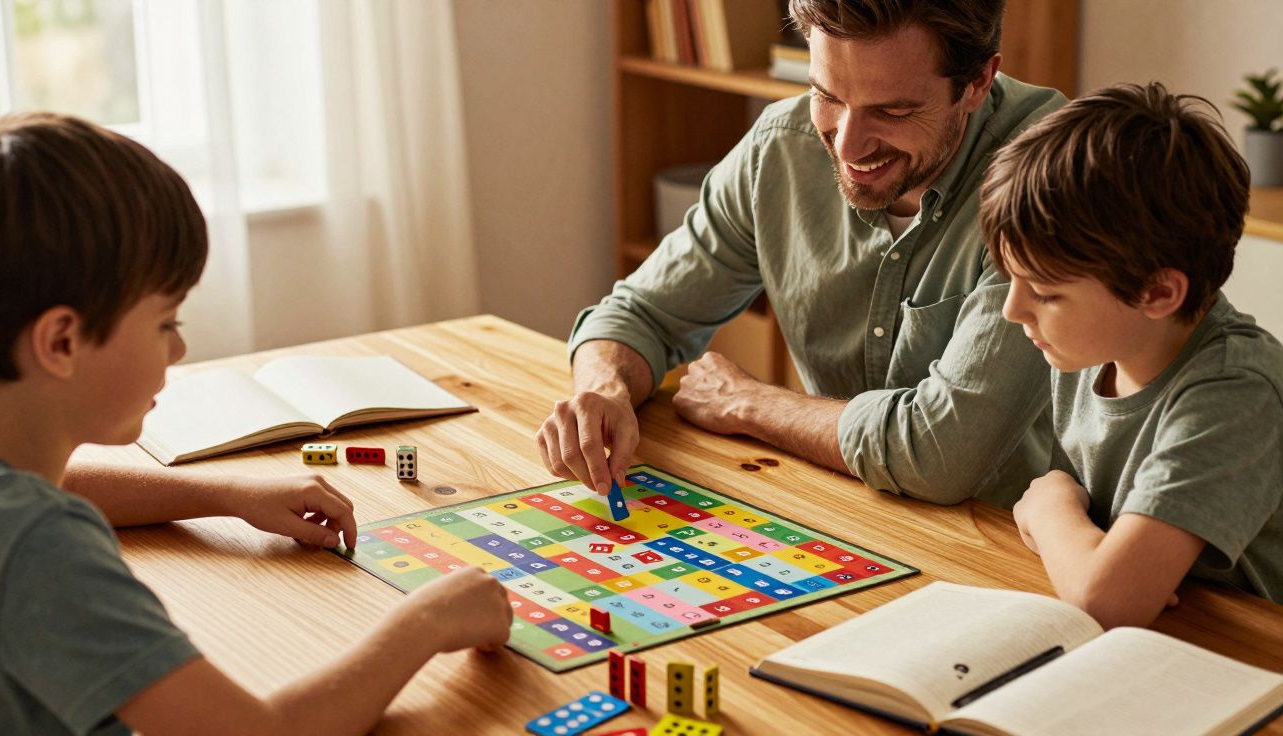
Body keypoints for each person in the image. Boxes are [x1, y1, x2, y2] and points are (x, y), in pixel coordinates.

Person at [0, 111, 512, 735]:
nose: (177, 351)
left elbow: (46, 490)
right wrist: (425, 624)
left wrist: (223, 492)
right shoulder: (39, 547)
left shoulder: (2, 495)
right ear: (62, 341)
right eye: (166, 323)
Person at [537, 0, 1067, 508]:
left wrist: (751, 402)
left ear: (977, 82)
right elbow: (640, 314)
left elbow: (941, 454)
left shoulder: (1049, 181)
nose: (848, 146)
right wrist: (603, 388)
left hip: (1007, 549)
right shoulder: (781, 148)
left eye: (893, 110)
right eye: (827, 95)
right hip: (834, 507)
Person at [981, 82, 1283, 627]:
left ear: (1159, 293)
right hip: (1169, 636)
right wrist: (1104, 562)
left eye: (1045, 293)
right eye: (1012, 280)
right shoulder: (1092, 349)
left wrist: (1051, 507)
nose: (1013, 311)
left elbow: (1105, 602)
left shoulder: (1235, 392)